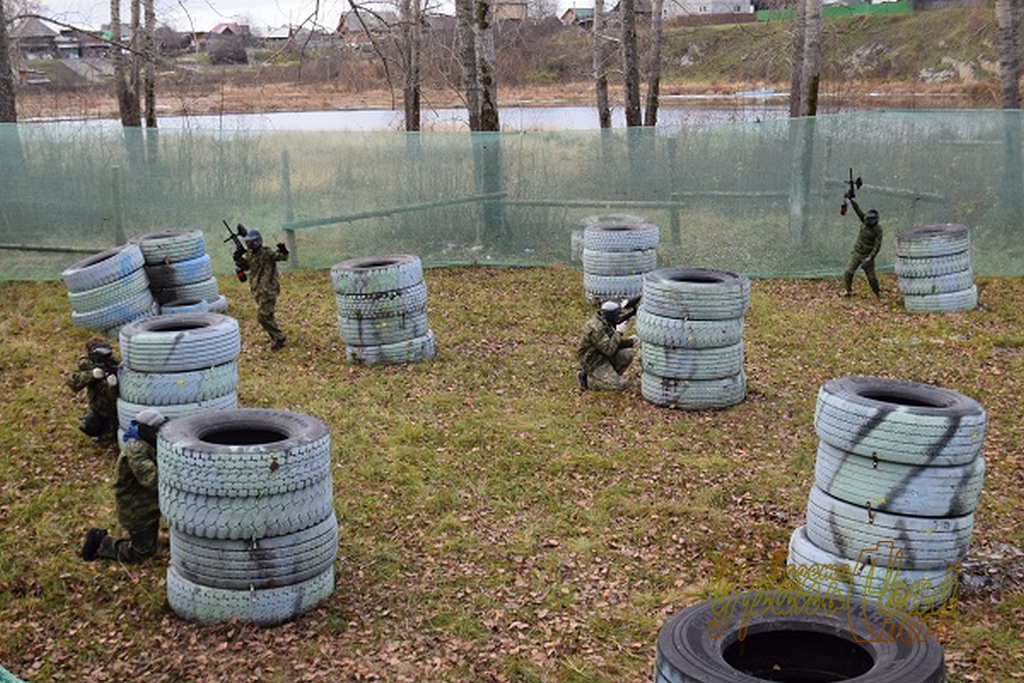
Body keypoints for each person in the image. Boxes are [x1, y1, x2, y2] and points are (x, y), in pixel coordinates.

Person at [81, 408, 168, 563]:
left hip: (150, 501)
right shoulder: (135, 450)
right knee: (142, 553)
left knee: (152, 542)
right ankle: (101, 543)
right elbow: (152, 479)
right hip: (136, 507)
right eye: (157, 431)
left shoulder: (149, 442)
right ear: (147, 431)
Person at [234, 228, 290, 350]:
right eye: (248, 243)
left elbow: (283, 257)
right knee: (268, 316)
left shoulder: (267, 253)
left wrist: (283, 250)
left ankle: (279, 337)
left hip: (268, 289)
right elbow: (247, 267)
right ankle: (276, 339)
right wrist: (238, 258)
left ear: (259, 241)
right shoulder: (249, 255)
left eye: (253, 242)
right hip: (257, 289)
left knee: (262, 316)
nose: (251, 245)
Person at [65, 338, 120, 445]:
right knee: (89, 427)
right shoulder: (88, 363)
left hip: (116, 410)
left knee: (110, 438)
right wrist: (92, 375)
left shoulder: (113, 362)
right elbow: (73, 382)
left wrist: (116, 382)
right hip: (98, 408)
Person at [576, 299, 639, 391]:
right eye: (617, 315)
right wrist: (618, 332)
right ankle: (588, 381)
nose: (619, 317)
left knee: (626, 356)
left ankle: (608, 377)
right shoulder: (595, 329)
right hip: (593, 361)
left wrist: (631, 342)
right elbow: (609, 350)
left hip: (602, 354)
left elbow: (611, 342)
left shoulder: (605, 321)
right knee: (620, 386)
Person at [842, 195, 883, 298]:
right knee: (848, 272)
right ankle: (848, 291)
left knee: (872, 278)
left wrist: (870, 257)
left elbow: (877, 246)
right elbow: (857, 209)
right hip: (857, 252)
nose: (867, 222)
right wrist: (851, 200)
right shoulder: (864, 219)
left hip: (867, 255)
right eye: (866, 220)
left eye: (870, 221)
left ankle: (877, 293)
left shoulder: (878, 230)